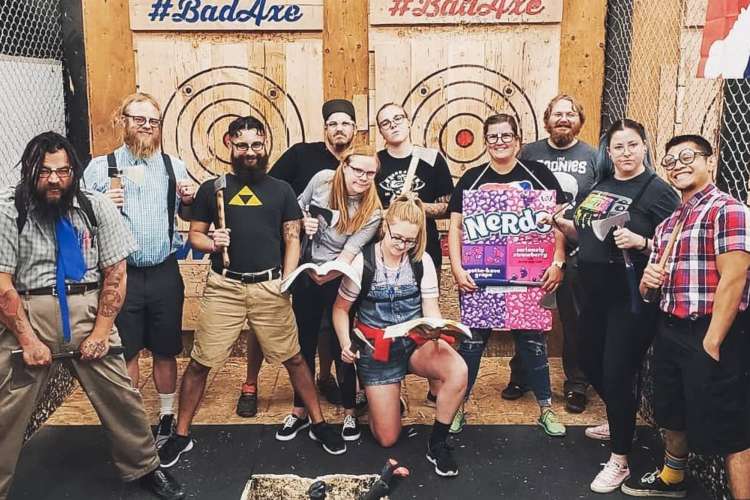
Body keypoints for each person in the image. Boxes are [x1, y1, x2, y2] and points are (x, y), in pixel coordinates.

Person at [0, 132, 184, 500]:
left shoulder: (95, 206)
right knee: (6, 406)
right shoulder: (8, 209)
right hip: (29, 311)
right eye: (44, 171)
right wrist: (27, 340)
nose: (54, 179)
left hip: (87, 308)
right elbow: (2, 283)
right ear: (28, 170)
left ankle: (145, 468)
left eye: (63, 171)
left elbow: (116, 272)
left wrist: (101, 331)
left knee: (123, 396)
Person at [157, 117, 346, 467]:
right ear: (230, 145)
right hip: (224, 286)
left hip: (269, 285)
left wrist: (286, 279)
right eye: (242, 145)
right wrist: (211, 242)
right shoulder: (213, 188)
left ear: (265, 145)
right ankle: (181, 434)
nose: (250, 152)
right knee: (200, 362)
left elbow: (292, 237)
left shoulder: (281, 190)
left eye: (256, 145)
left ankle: (318, 423)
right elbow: (194, 234)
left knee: (294, 358)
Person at [554, 119, 679, 493]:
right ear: (608, 152)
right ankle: (618, 414)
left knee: (617, 370)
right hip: (594, 292)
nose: (625, 153)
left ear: (644, 147)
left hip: (631, 296)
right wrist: (562, 224)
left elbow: (676, 245)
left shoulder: (658, 191)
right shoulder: (602, 185)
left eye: (632, 145)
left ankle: (620, 459)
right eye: (618, 147)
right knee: (588, 358)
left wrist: (642, 242)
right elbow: (589, 232)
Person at [622, 134, 750, 499]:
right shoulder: (668, 224)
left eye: (688, 156)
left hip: (712, 331)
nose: (678, 164)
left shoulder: (728, 210)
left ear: (710, 161)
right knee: (671, 411)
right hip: (670, 328)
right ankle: (672, 479)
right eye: (671, 161)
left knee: (732, 427)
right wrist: (648, 284)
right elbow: (651, 293)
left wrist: (712, 341)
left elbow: (735, 278)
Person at [234, 99, 359, 416]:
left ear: (355, 129)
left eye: (345, 123)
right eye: (333, 123)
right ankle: (250, 383)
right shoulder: (302, 155)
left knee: (330, 322)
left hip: (335, 260)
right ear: (325, 128)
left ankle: (324, 377)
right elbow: (268, 190)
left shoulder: (360, 165)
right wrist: (296, 218)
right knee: (266, 318)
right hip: (290, 253)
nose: (339, 129)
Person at [84, 92, 194, 447]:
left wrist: (191, 199)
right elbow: (79, 226)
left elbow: (192, 217)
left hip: (163, 271)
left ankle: (165, 415)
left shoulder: (173, 167)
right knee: (127, 350)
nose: (146, 126)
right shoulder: (100, 168)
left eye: (153, 121)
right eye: (139, 119)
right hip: (121, 274)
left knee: (165, 349)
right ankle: (134, 423)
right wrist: (98, 206)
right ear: (124, 121)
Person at [447, 113, 568, 437]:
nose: (499, 142)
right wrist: (457, 269)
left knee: (533, 343)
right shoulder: (472, 178)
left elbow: (560, 222)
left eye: (506, 136)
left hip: (528, 280)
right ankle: (457, 408)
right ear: (485, 142)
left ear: (518, 140)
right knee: (471, 346)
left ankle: (545, 409)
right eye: (493, 137)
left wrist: (558, 262)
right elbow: (455, 227)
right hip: (480, 279)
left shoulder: (539, 174)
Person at [332, 194, 468, 477]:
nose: (402, 246)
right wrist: (346, 343)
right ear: (385, 227)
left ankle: (438, 443)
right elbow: (340, 310)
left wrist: (436, 328)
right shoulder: (363, 262)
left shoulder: (421, 262)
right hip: (376, 349)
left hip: (413, 343)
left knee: (458, 368)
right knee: (387, 438)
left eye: (410, 241)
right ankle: (380, 398)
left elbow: (430, 308)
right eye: (397, 238)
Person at [277, 144, 382, 443]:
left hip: (338, 276)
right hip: (305, 272)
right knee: (304, 343)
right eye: (357, 169)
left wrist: (325, 275)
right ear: (344, 166)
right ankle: (300, 410)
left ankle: (349, 411)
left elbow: (348, 254)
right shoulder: (322, 179)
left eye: (370, 173)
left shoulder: (372, 210)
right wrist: (303, 219)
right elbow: (294, 210)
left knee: (341, 344)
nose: (363, 177)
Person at [504, 94, 599, 413]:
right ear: (547, 120)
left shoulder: (593, 156)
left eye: (570, 113)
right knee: (526, 313)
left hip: (577, 248)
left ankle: (576, 383)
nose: (563, 118)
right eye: (557, 114)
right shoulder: (530, 152)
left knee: (576, 319)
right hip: (531, 246)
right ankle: (522, 376)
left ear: (579, 121)